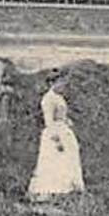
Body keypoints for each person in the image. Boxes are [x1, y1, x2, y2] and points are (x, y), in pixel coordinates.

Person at [29, 69, 84, 198]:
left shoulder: (59, 97)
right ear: (52, 83)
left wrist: (67, 121)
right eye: (60, 82)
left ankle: (68, 189)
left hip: (64, 130)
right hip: (55, 133)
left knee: (68, 159)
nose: (63, 85)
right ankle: (53, 190)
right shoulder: (47, 99)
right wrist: (56, 140)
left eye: (63, 82)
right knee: (55, 160)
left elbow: (61, 115)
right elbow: (49, 121)